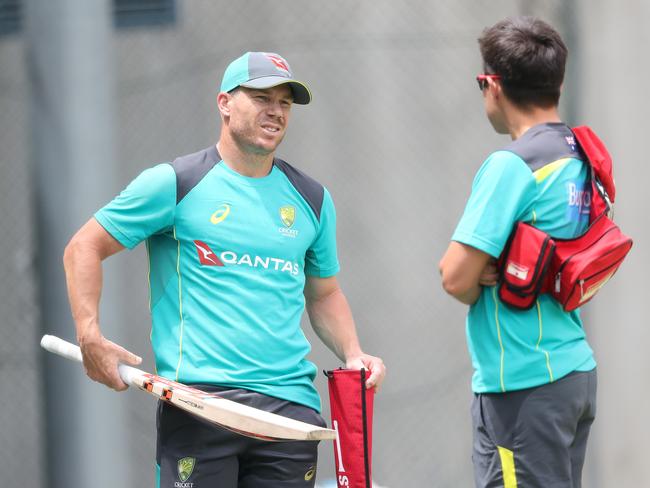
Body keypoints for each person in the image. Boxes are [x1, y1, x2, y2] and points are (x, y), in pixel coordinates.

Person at [63, 51, 385, 487]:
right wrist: (89, 335)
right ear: (225, 102)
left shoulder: (312, 199)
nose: (275, 111)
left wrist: (352, 353)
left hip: (289, 415)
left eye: (285, 102)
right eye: (261, 97)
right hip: (200, 404)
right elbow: (83, 247)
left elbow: (324, 293)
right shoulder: (175, 182)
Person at [439, 17, 597, 488]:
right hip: (572, 371)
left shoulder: (513, 165)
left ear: (492, 85)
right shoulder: (578, 152)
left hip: (523, 382)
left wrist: (484, 268)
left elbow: (454, 278)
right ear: (558, 82)